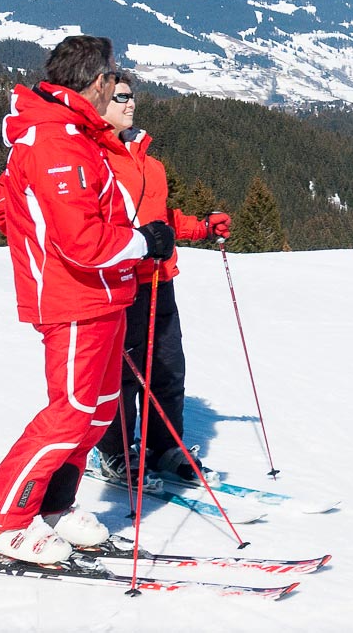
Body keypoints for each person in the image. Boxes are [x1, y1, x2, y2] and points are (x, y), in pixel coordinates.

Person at [0, 35, 175, 564]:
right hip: (73, 299)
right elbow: (81, 241)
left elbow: (10, 204)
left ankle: (54, 505)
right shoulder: (54, 143)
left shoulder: (76, 135)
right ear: (96, 82)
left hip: (107, 294)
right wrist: (143, 242)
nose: (118, 84)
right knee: (70, 413)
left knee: (96, 411)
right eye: (114, 76)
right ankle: (5, 518)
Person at [92, 75, 231, 485]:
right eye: (120, 97)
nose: (130, 104)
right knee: (122, 374)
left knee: (167, 368)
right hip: (121, 280)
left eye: (132, 96)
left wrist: (202, 228)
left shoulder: (150, 163)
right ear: (97, 103)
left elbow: (160, 221)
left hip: (159, 277)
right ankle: (116, 452)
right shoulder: (94, 158)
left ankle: (164, 446)